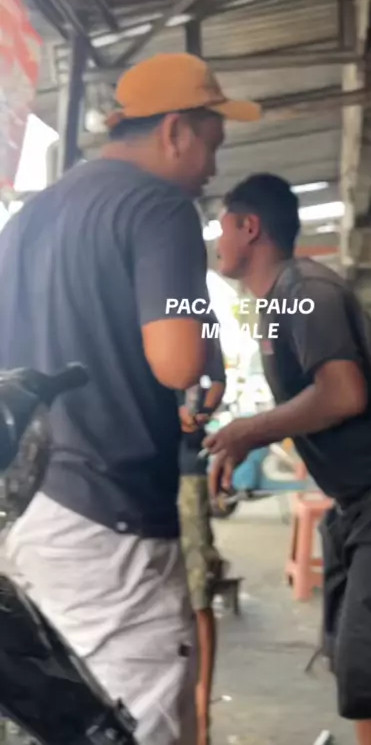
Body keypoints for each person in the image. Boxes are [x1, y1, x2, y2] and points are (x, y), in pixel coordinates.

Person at [0, 53, 260, 745]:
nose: (211, 169)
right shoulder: (159, 206)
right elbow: (177, 359)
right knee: (136, 720)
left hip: (28, 511)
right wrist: (205, 334)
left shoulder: (25, 222)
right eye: (210, 145)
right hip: (110, 515)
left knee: (61, 720)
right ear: (175, 131)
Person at [204, 173, 371, 745]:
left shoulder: (305, 288)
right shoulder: (277, 304)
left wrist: (250, 429)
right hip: (365, 504)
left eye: (222, 227)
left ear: (249, 227)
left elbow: (343, 393)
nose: (217, 241)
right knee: (360, 675)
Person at [177, 340, 226, 745]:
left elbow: (218, 379)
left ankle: (200, 715)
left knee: (197, 597)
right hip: (129, 476)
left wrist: (198, 415)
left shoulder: (195, 316)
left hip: (184, 470)